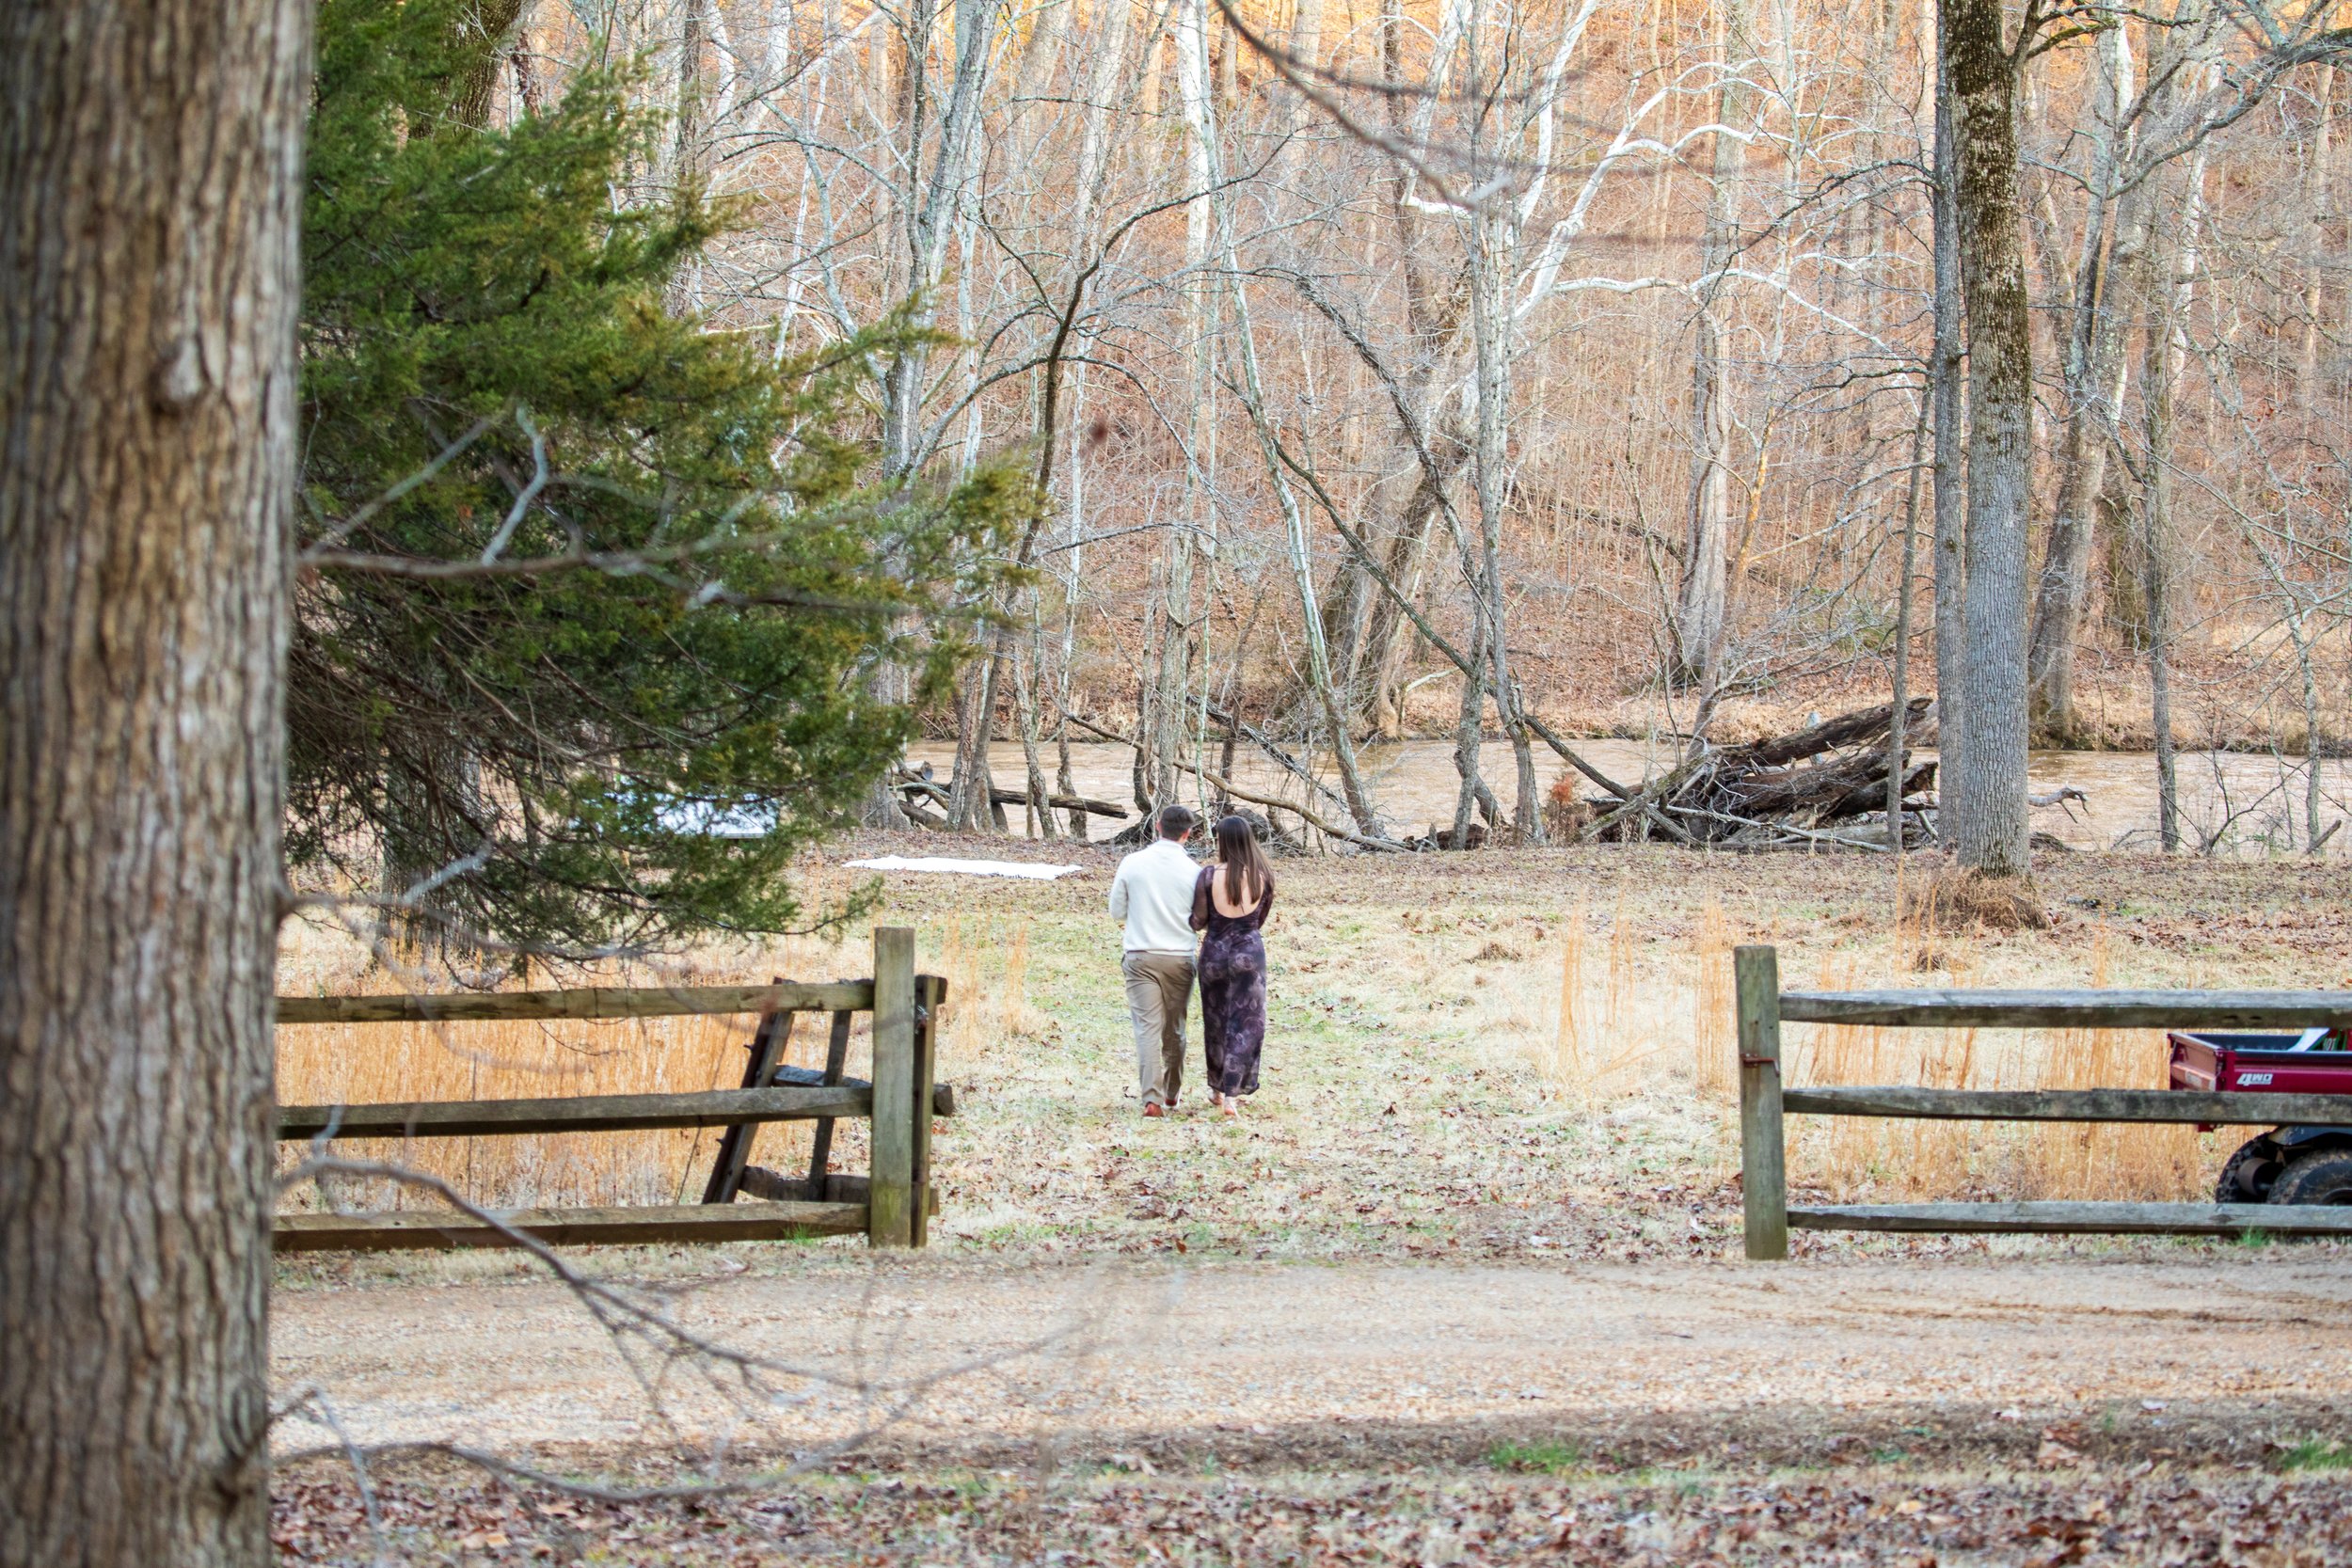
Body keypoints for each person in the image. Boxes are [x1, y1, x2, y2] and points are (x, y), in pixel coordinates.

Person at [1107, 804, 1201, 1117]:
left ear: (1158, 826)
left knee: (1147, 1028)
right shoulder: (1195, 871)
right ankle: (1172, 1093)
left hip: (1141, 955)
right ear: (1188, 833)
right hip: (1179, 957)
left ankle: (1152, 1097)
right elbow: (1201, 918)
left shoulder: (1132, 863)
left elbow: (1116, 911)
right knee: (1174, 1028)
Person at [1191, 814, 1275, 1117]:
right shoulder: (1262, 875)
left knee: (1216, 1021)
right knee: (1247, 1023)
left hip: (1214, 953)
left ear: (1221, 841)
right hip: (1249, 953)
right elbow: (1259, 920)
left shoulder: (1209, 875)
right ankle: (1232, 1096)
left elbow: (1198, 921)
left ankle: (1215, 1089)